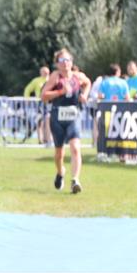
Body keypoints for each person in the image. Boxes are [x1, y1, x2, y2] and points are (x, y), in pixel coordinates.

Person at [41, 48, 91, 194]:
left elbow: (88, 83)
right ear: (57, 64)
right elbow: (44, 96)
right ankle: (60, 172)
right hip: (57, 118)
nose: (65, 63)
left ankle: (75, 180)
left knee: (75, 148)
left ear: (72, 62)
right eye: (62, 61)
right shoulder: (55, 77)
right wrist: (60, 92)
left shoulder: (77, 76)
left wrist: (85, 95)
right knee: (59, 154)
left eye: (68, 60)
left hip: (73, 117)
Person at [23, 66, 51, 146]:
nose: (46, 73)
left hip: (50, 103)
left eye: (47, 72)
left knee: (49, 121)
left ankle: (48, 138)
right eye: (44, 72)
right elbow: (27, 89)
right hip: (40, 103)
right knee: (40, 121)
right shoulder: (36, 81)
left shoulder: (51, 80)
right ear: (40, 72)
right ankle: (40, 139)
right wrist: (27, 100)